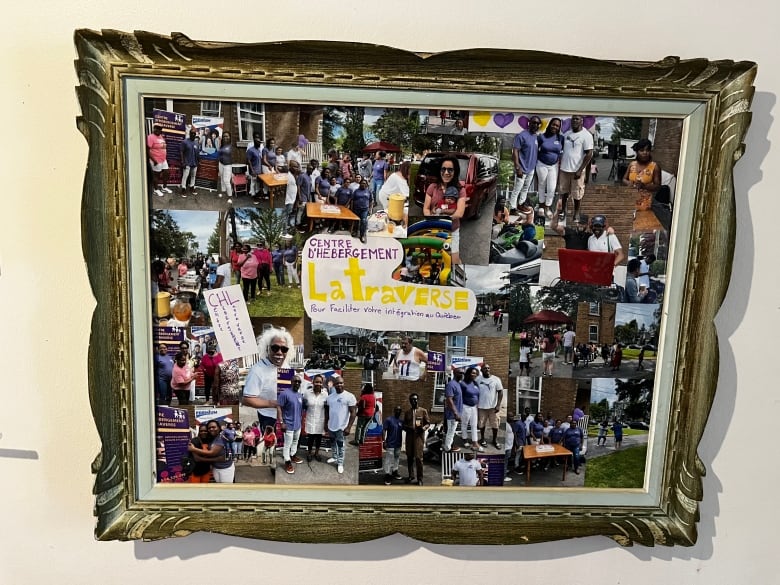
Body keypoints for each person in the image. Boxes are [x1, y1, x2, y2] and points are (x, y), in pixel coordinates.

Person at [242, 328, 293, 430]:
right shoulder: (257, 370)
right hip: (268, 418)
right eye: (275, 348)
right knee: (270, 444)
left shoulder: (286, 367)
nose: (279, 352)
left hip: (288, 417)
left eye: (284, 349)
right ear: (267, 349)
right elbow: (247, 399)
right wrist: (273, 403)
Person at [422, 155, 467, 266]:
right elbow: (426, 209)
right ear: (440, 171)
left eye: (450, 170)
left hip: (452, 230)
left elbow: (459, 213)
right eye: (443, 169)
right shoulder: (432, 187)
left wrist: (441, 218)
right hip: (433, 228)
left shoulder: (460, 190)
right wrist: (430, 218)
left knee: (454, 262)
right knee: (432, 259)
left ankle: (461, 277)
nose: (446, 172)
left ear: (455, 172)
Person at [558, 115, 594, 222]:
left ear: (581, 121)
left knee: (577, 194)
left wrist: (580, 170)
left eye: (577, 119)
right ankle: (563, 210)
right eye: (573, 119)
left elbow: (589, 154)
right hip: (564, 169)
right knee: (563, 192)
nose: (574, 121)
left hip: (577, 171)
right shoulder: (566, 134)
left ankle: (576, 213)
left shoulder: (586, 135)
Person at [623, 138, 663, 231]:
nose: (645, 153)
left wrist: (644, 186)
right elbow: (624, 179)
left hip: (644, 206)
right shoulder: (632, 164)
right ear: (637, 151)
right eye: (642, 150)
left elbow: (658, 186)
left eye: (647, 150)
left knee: (641, 228)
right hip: (629, 202)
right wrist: (629, 183)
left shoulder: (655, 167)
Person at [324, 374, 357, 474]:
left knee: (341, 445)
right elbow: (327, 412)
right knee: (333, 443)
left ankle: (340, 463)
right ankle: (334, 457)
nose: (339, 385)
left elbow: (353, 413)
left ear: (344, 384)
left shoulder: (349, 396)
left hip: (341, 427)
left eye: (341, 383)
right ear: (333, 385)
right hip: (331, 426)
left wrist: (349, 427)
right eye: (337, 383)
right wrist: (326, 424)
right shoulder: (330, 397)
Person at [509, 115, 541, 214]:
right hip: (522, 168)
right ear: (529, 123)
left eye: (537, 123)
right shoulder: (521, 135)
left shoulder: (537, 137)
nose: (535, 125)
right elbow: (515, 151)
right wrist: (517, 167)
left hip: (531, 168)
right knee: (517, 189)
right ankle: (512, 208)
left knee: (526, 188)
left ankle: (521, 204)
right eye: (533, 122)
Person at [535, 117, 563, 219]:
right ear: (549, 125)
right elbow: (535, 150)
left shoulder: (561, 138)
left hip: (554, 165)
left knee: (552, 187)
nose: (554, 127)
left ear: (559, 128)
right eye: (553, 124)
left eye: (557, 126)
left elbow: (562, 152)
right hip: (541, 164)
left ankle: (547, 207)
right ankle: (541, 207)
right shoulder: (541, 137)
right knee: (542, 184)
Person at [276, 375, 304, 474]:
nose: (297, 383)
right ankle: (287, 461)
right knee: (287, 444)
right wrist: (281, 422)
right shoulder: (285, 394)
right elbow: (279, 407)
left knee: (295, 441)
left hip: (298, 424)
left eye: (299, 382)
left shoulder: (300, 395)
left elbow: (300, 409)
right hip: (288, 425)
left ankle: (292, 455)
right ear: (291, 382)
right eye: (295, 381)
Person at [402, 393, 430, 485]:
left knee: (418, 458)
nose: (414, 401)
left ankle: (420, 478)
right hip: (409, 437)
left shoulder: (423, 411)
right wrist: (406, 428)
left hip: (418, 437)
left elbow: (428, 423)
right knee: (409, 457)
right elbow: (404, 424)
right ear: (410, 402)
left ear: (418, 400)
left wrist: (423, 428)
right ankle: (411, 475)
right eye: (412, 400)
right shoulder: (407, 412)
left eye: (415, 399)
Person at [477, 364, 504, 449]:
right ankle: (482, 439)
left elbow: (500, 392)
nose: (487, 369)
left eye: (488, 368)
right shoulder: (478, 379)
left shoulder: (496, 379)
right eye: (485, 368)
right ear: (481, 370)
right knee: (481, 424)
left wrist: (498, 405)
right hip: (481, 407)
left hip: (493, 408)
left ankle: (495, 440)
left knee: (495, 425)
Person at [302, 374, 328, 462]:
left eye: (320, 382)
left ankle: (316, 453)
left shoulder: (325, 394)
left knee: (319, 438)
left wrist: (327, 421)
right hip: (310, 419)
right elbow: (304, 405)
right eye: (316, 382)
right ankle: (309, 453)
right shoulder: (307, 393)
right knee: (310, 438)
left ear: (322, 383)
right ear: (313, 382)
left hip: (320, 420)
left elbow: (327, 408)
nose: (318, 384)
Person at [460, 366, 482, 452]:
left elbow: (477, 394)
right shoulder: (462, 384)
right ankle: (464, 439)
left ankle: (475, 442)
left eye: (476, 373)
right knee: (464, 424)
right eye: (473, 373)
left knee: (474, 425)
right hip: (465, 407)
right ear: (468, 373)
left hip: (474, 407)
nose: (474, 375)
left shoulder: (475, 383)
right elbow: (459, 397)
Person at [147, 124, 172, 197]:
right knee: (156, 175)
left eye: (160, 129)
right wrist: (154, 160)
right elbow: (147, 150)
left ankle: (164, 187)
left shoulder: (161, 136)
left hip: (163, 159)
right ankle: (156, 189)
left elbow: (163, 147)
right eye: (157, 128)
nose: (158, 130)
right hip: (156, 160)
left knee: (166, 172)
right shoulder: (150, 137)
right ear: (154, 129)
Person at [443, 366, 464, 453]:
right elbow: (449, 400)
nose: (462, 374)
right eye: (460, 373)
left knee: (452, 431)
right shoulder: (451, 384)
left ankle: (450, 445)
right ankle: (448, 449)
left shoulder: (458, 384)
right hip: (452, 415)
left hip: (456, 413)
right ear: (455, 373)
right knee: (451, 432)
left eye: (463, 373)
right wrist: (456, 413)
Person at [382, 405, 404, 485]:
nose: (398, 411)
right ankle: (387, 474)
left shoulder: (401, 421)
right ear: (394, 411)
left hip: (398, 444)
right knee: (388, 459)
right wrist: (384, 441)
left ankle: (395, 471)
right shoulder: (389, 420)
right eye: (397, 410)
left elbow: (406, 428)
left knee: (397, 458)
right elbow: (384, 430)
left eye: (399, 410)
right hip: (390, 443)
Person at [199, 341, 223, 405]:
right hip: (208, 375)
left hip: (217, 375)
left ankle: (217, 401)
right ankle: (207, 400)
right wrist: (204, 369)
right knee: (207, 388)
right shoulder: (205, 356)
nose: (210, 353)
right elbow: (201, 364)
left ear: (215, 350)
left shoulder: (219, 356)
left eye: (212, 352)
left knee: (217, 388)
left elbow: (223, 364)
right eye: (209, 352)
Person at [179, 128, 201, 196]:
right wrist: (183, 162)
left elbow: (197, 153)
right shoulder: (185, 142)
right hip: (187, 163)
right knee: (185, 176)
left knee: (193, 176)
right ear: (189, 133)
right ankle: (183, 189)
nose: (193, 134)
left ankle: (192, 187)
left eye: (194, 133)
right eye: (192, 133)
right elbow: (181, 152)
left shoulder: (196, 143)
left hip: (195, 163)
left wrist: (199, 161)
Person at [351, 178, 371, 243]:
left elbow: (371, 201)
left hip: (364, 210)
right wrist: (351, 209)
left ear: (366, 185)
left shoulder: (368, 191)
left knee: (363, 221)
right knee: (356, 221)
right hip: (356, 209)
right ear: (360, 184)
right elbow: (352, 200)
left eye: (365, 183)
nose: (363, 184)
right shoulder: (356, 191)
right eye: (362, 183)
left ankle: (362, 235)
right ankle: (355, 231)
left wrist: (370, 210)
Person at [284, 160, 301, 233]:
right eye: (294, 166)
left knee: (292, 214)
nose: (296, 168)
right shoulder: (287, 175)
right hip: (288, 200)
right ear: (289, 167)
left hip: (293, 199)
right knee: (286, 216)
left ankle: (290, 229)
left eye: (297, 167)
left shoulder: (295, 175)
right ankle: (284, 231)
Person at [217, 131, 234, 201]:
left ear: (230, 137)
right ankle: (223, 192)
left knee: (226, 180)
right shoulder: (222, 146)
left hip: (228, 165)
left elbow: (234, 157)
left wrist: (232, 170)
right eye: (224, 136)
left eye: (227, 136)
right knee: (222, 179)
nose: (225, 137)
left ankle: (230, 196)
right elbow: (219, 154)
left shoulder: (231, 146)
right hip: (221, 164)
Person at [246, 133, 264, 198]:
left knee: (257, 182)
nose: (259, 143)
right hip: (253, 169)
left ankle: (256, 193)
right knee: (253, 182)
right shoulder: (250, 150)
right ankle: (253, 194)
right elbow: (248, 161)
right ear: (255, 142)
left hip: (258, 168)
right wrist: (252, 170)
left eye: (260, 142)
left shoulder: (258, 150)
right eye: (258, 142)